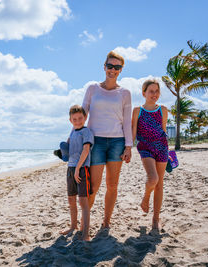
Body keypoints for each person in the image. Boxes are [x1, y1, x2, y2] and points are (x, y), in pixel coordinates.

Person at [82, 51, 132, 229]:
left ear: (121, 70)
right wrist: (74, 135)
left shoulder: (125, 93)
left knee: (112, 185)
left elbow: (126, 120)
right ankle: (85, 223)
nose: (113, 70)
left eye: (117, 67)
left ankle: (106, 221)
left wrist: (128, 146)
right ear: (104, 67)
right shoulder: (92, 88)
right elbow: (83, 114)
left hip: (117, 142)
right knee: (94, 186)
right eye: (110, 66)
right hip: (96, 142)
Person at [131, 79, 168, 230]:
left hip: (162, 148)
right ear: (144, 93)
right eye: (151, 91)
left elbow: (163, 130)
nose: (154, 94)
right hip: (145, 147)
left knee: (159, 184)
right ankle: (146, 197)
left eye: (157, 91)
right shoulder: (138, 111)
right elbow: (133, 132)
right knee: (153, 178)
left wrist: (168, 151)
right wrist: (127, 149)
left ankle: (155, 219)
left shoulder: (163, 110)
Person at [59, 105, 94, 241]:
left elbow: (85, 151)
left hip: (82, 169)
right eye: (75, 119)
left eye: (80, 118)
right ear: (70, 120)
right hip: (70, 168)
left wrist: (78, 168)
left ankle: (85, 233)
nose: (78, 121)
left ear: (85, 118)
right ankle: (73, 226)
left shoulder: (86, 132)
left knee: (83, 202)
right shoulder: (73, 131)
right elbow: (67, 147)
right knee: (71, 200)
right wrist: (62, 152)